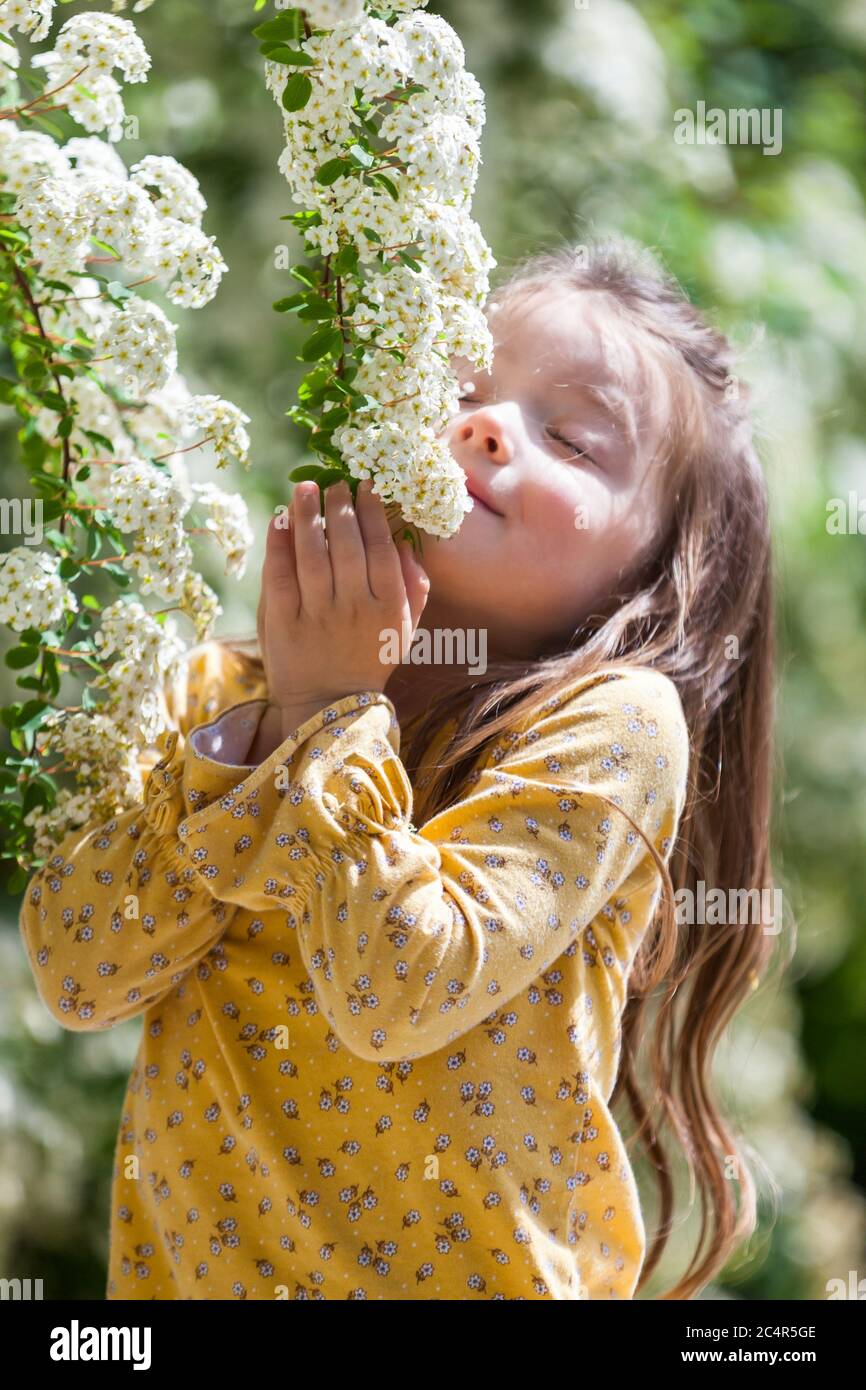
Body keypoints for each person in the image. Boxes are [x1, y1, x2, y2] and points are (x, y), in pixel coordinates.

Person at [18, 234, 782, 1300]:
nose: (482, 424)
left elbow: (393, 990)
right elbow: (80, 970)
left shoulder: (609, 720)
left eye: (569, 437)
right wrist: (278, 718)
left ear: (653, 571)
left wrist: (329, 716)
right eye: (459, 381)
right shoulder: (219, 695)